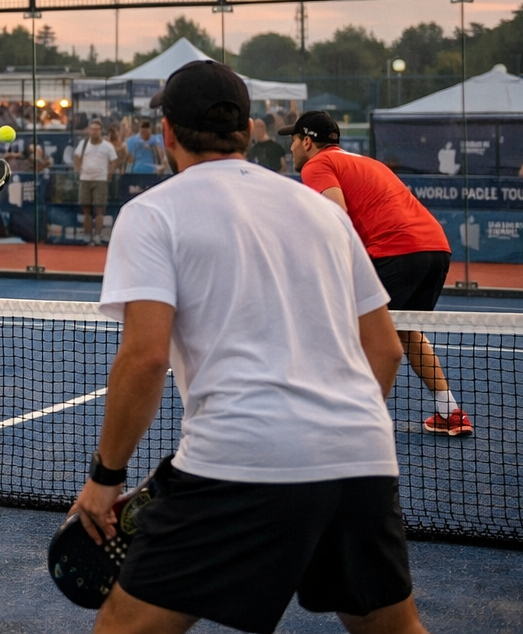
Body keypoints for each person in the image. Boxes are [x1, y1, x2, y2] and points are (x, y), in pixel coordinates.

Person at [70, 61, 423, 634]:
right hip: (361, 452)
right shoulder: (323, 213)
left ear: (166, 132)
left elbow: (145, 358)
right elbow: (384, 350)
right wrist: (331, 428)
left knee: (122, 629)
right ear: (250, 128)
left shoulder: (151, 213)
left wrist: (104, 479)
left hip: (239, 458)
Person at [283, 110, 472, 437]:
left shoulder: (316, 165)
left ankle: (346, 416)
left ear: (308, 142)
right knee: (406, 332)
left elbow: (336, 217)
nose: (291, 149)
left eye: (295, 141)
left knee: (343, 329)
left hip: (396, 252)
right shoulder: (367, 162)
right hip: (435, 250)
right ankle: (450, 411)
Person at [73, 119, 117, 246]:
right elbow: (76, 156)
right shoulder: (83, 143)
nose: (94, 132)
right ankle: (87, 235)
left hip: (101, 180)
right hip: (85, 179)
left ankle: (97, 235)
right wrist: (78, 170)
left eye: (97, 130)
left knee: (99, 209)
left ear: (101, 131)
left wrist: (110, 173)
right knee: (86, 209)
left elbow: (114, 160)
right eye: (92, 129)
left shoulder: (107, 146)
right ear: (89, 130)